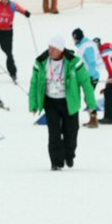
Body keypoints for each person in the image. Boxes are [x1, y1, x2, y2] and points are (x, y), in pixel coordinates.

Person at [29, 35, 97, 171]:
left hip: (69, 102)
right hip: (50, 102)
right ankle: (56, 162)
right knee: (54, 133)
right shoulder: (41, 62)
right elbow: (34, 83)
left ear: (61, 49)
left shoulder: (74, 62)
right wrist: (34, 103)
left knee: (71, 132)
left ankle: (69, 154)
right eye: (49, 48)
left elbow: (86, 84)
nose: (50, 51)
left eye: (53, 48)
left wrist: (91, 105)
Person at [94, 38, 112, 124]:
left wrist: (109, 84)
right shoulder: (110, 51)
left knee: (108, 93)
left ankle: (109, 118)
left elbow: (111, 70)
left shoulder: (105, 53)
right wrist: (107, 85)